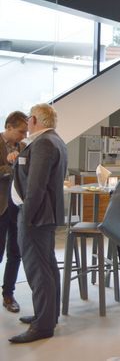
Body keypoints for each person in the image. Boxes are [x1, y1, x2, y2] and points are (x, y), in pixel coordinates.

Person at [9, 104, 67, 343]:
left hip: (35, 217)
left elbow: (36, 187)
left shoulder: (44, 143)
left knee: (38, 271)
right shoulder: (55, 140)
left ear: (33, 120)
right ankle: (48, 316)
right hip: (45, 216)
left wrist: (28, 217)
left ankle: (43, 326)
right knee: (48, 266)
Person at [0, 112, 28, 314]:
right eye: (21, 131)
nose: (23, 135)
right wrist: (11, 166)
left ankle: (8, 295)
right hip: (1, 207)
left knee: (15, 253)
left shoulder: (24, 147)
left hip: (18, 208)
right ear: (9, 127)